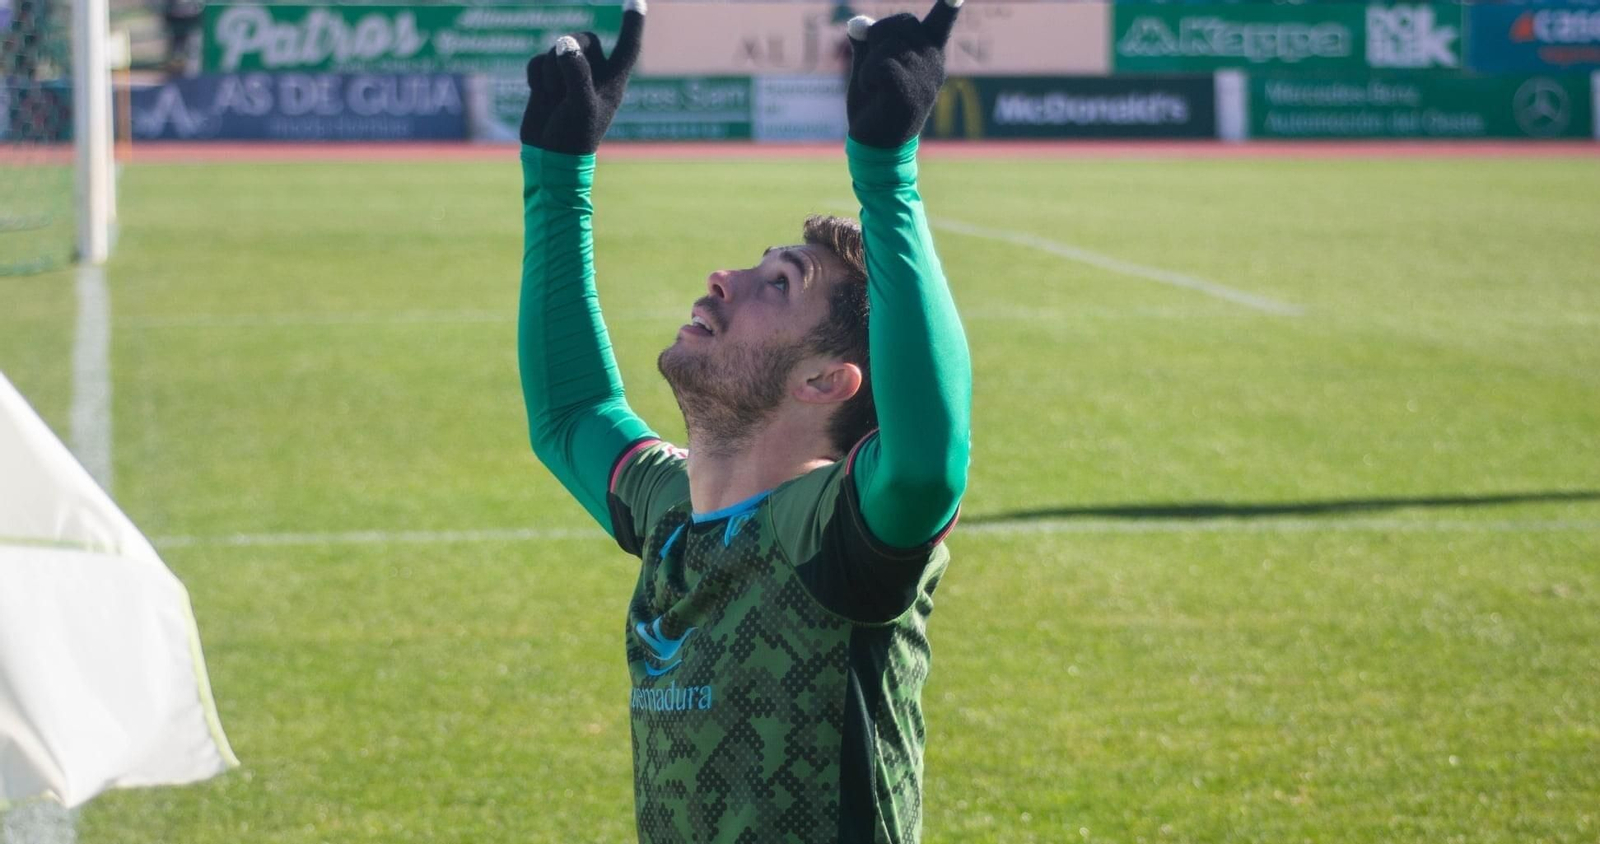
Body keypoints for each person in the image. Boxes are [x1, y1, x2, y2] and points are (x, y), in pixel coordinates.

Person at [516, 0, 970, 840]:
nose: (725, 277)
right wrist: (557, 176)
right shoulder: (674, 510)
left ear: (827, 379)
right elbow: (571, 413)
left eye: (780, 284)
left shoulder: (831, 532)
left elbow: (924, 465)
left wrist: (887, 177)